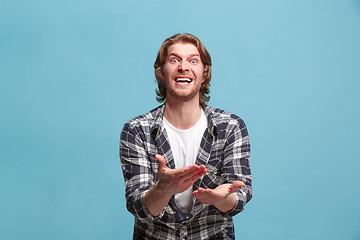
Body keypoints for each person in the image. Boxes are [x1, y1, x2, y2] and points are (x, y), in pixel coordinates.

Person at [120, 33, 252, 239]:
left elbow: (240, 196)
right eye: (174, 60)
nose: (183, 67)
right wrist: (163, 189)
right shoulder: (136, 130)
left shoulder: (231, 126)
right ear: (161, 72)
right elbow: (138, 207)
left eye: (193, 60)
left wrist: (220, 198)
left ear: (204, 73)